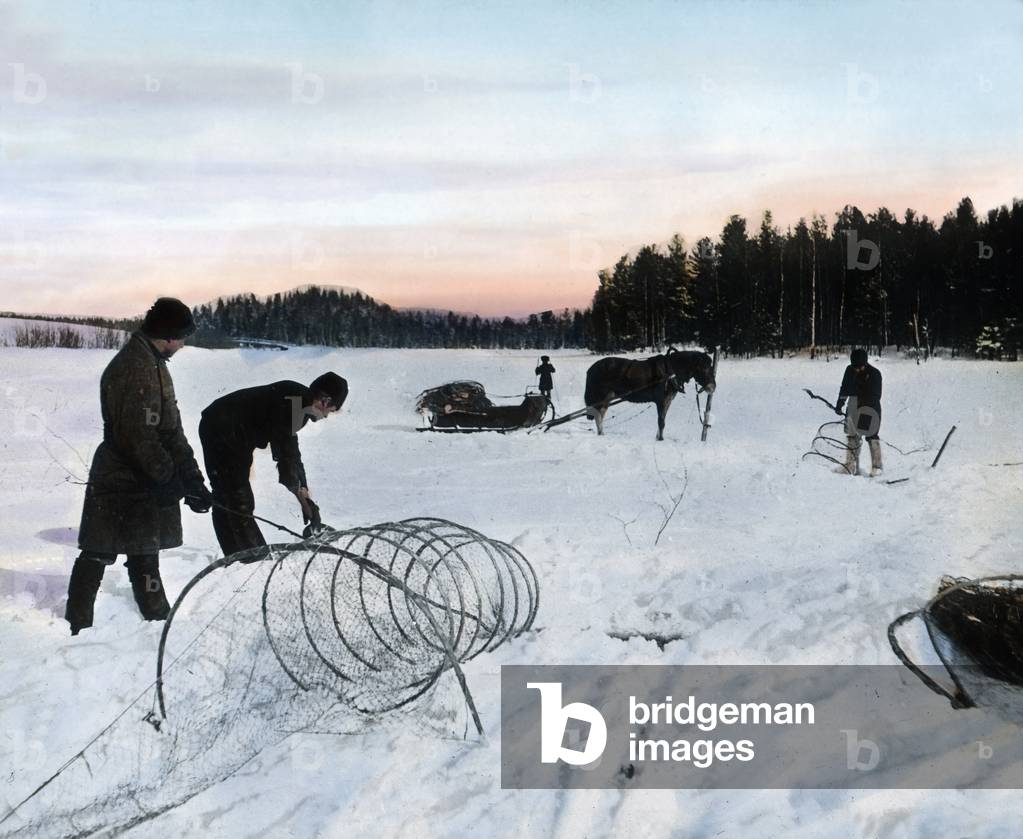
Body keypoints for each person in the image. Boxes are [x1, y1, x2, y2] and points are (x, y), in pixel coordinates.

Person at [66, 298, 214, 636]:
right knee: (97, 553)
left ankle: (158, 620)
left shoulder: (156, 364)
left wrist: (192, 481)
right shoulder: (134, 367)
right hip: (118, 476)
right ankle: (76, 626)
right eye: (182, 337)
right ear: (168, 335)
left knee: (145, 552)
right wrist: (168, 479)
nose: (183, 344)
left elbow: (172, 431)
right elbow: (137, 435)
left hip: (145, 477)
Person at [198, 373, 347, 555]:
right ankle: (252, 559)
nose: (326, 416)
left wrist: (304, 494)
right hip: (224, 431)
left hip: (224, 428)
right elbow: (286, 457)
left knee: (226, 495)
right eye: (331, 410)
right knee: (238, 497)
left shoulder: (298, 400)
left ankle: (238, 556)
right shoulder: (296, 403)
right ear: (324, 401)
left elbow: (292, 453)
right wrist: (304, 501)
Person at [834, 348, 883, 477]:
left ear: (865, 364)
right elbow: (845, 388)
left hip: (870, 408)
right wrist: (840, 403)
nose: (857, 370)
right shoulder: (849, 370)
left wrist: (862, 412)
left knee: (871, 436)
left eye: (860, 367)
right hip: (853, 405)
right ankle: (850, 465)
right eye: (855, 367)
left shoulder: (875, 374)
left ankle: (877, 467)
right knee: (852, 436)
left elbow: (875, 396)